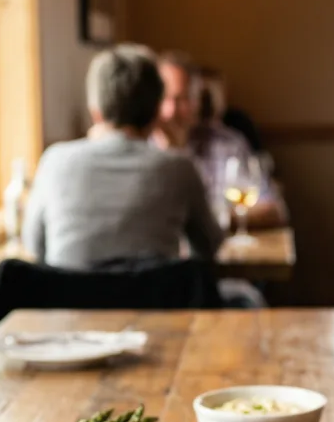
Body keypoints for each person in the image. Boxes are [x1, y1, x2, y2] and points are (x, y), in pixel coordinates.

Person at [22, 45, 224, 269]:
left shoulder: (54, 162)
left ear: (95, 111)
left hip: (71, 302)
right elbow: (209, 247)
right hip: (154, 301)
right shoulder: (179, 168)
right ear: (157, 112)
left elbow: (34, 247)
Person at [154, 51, 287, 231]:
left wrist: (206, 222)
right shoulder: (136, 146)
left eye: (181, 99)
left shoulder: (228, 144)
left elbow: (274, 210)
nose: (171, 111)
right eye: (164, 99)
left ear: (197, 101)